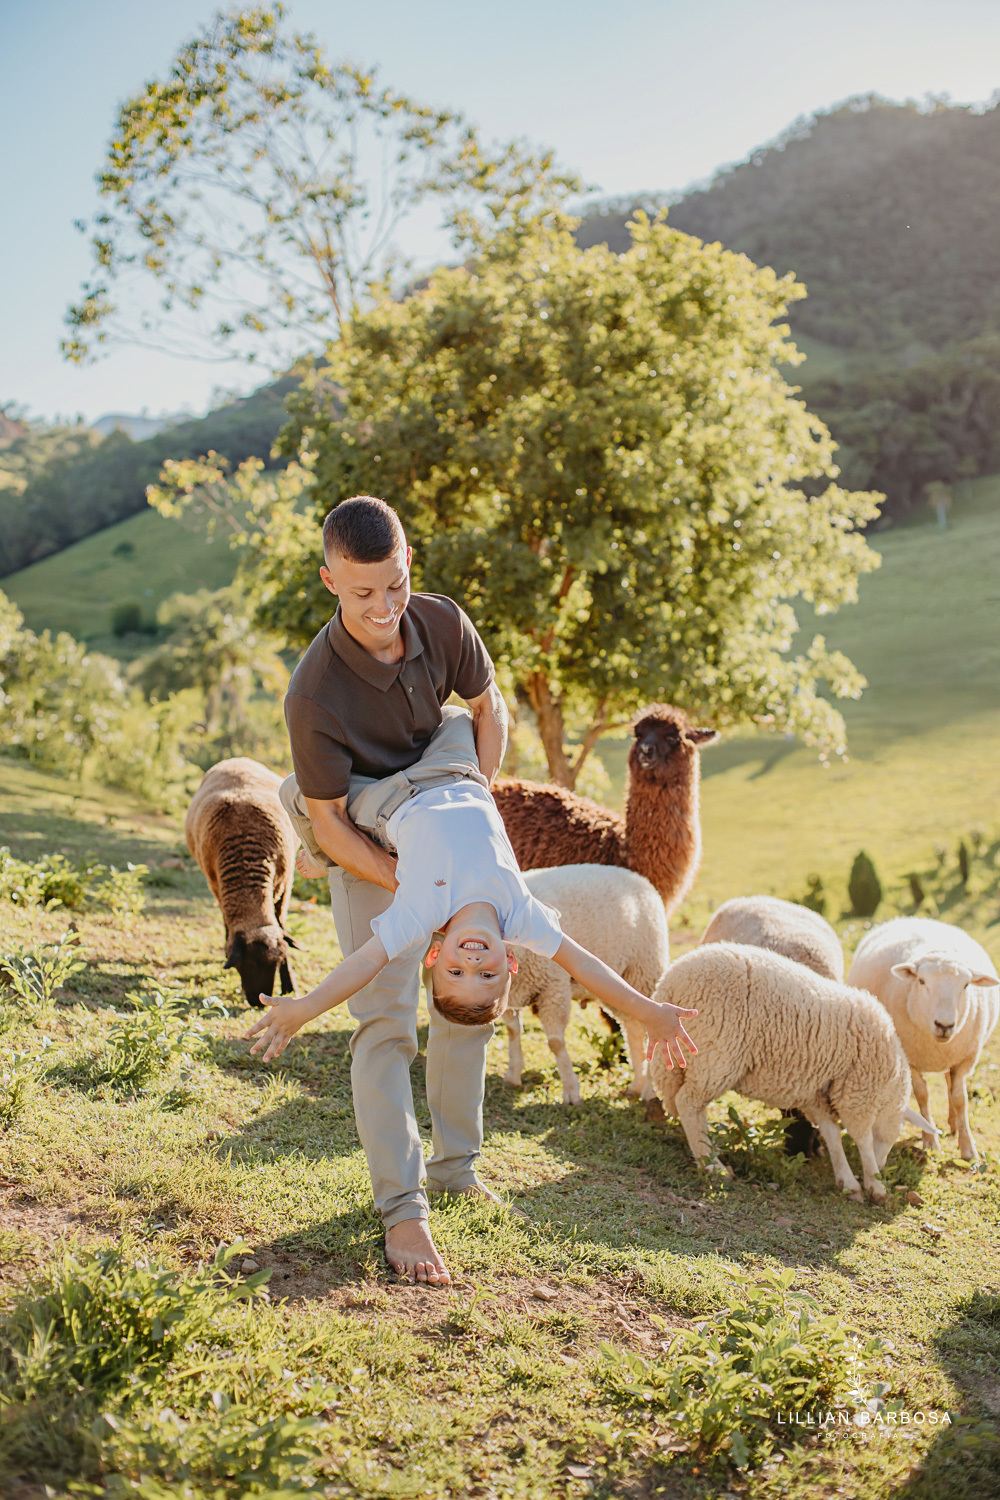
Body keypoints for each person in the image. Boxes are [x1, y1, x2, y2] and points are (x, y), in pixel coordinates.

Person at [278, 494, 510, 1286]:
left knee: (466, 994)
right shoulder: (312, 696)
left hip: (441, 797)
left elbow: (487, 707)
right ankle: (405, 1208)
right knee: (384, 1021)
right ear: (330, 581)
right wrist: (417, 882)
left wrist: (471, 815)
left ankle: (456, 1165)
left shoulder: (442, 622)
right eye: (362, 592)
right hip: (368, 835)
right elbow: (335, 820)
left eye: (397, 585)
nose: (384, 609)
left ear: (410, 566)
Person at [246, 754, 699, 1069]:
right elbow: (585, 964)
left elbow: (364, 962)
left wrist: (305, 1008)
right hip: (457, 774)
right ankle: (330, 849)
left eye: (456, 973)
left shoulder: (422, 912)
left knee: (296, 789)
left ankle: (325, 852)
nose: (472, 964)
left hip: (394, 802)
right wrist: (647, 1010)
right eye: (486, 976)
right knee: (466, 714)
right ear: (513, 962)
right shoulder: (522, 917)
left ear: (434, 957)